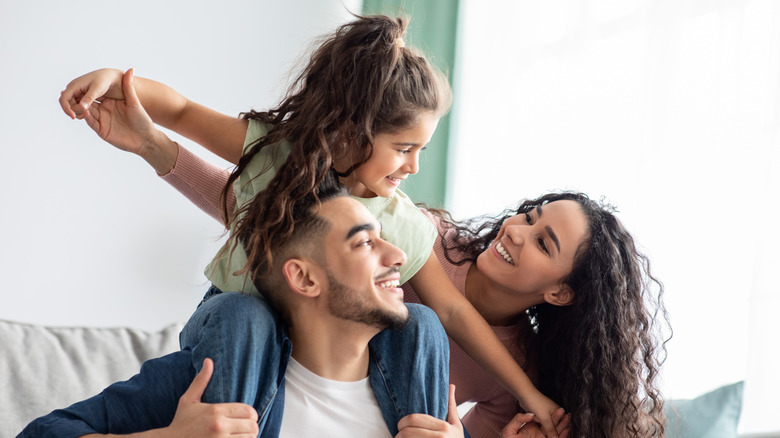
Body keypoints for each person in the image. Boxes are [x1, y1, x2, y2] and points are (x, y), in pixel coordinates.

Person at [58, 14, 565, 437]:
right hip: (236, 328)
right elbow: (186, 113)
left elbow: (452, 311)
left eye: (421, 151)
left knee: (423, 323)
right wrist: (117, 83)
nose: (413, 167)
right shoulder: (281, 157)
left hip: (332, 349)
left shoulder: (403, 224)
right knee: (243, 315)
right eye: (404, 149)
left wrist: (531, 395)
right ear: (351, 131)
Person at [20, 181, 464, 437]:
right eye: (366, 242)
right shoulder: (209, 381)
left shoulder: (420, 402)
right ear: (305, 278)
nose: (398, 256)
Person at [405, 192, 669, 437]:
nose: (516, 232)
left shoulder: (521, 368)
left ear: (560, 293)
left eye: (542, 244)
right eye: (530, 217)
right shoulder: (423, 233)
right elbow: (451, 310)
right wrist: (526, 392)